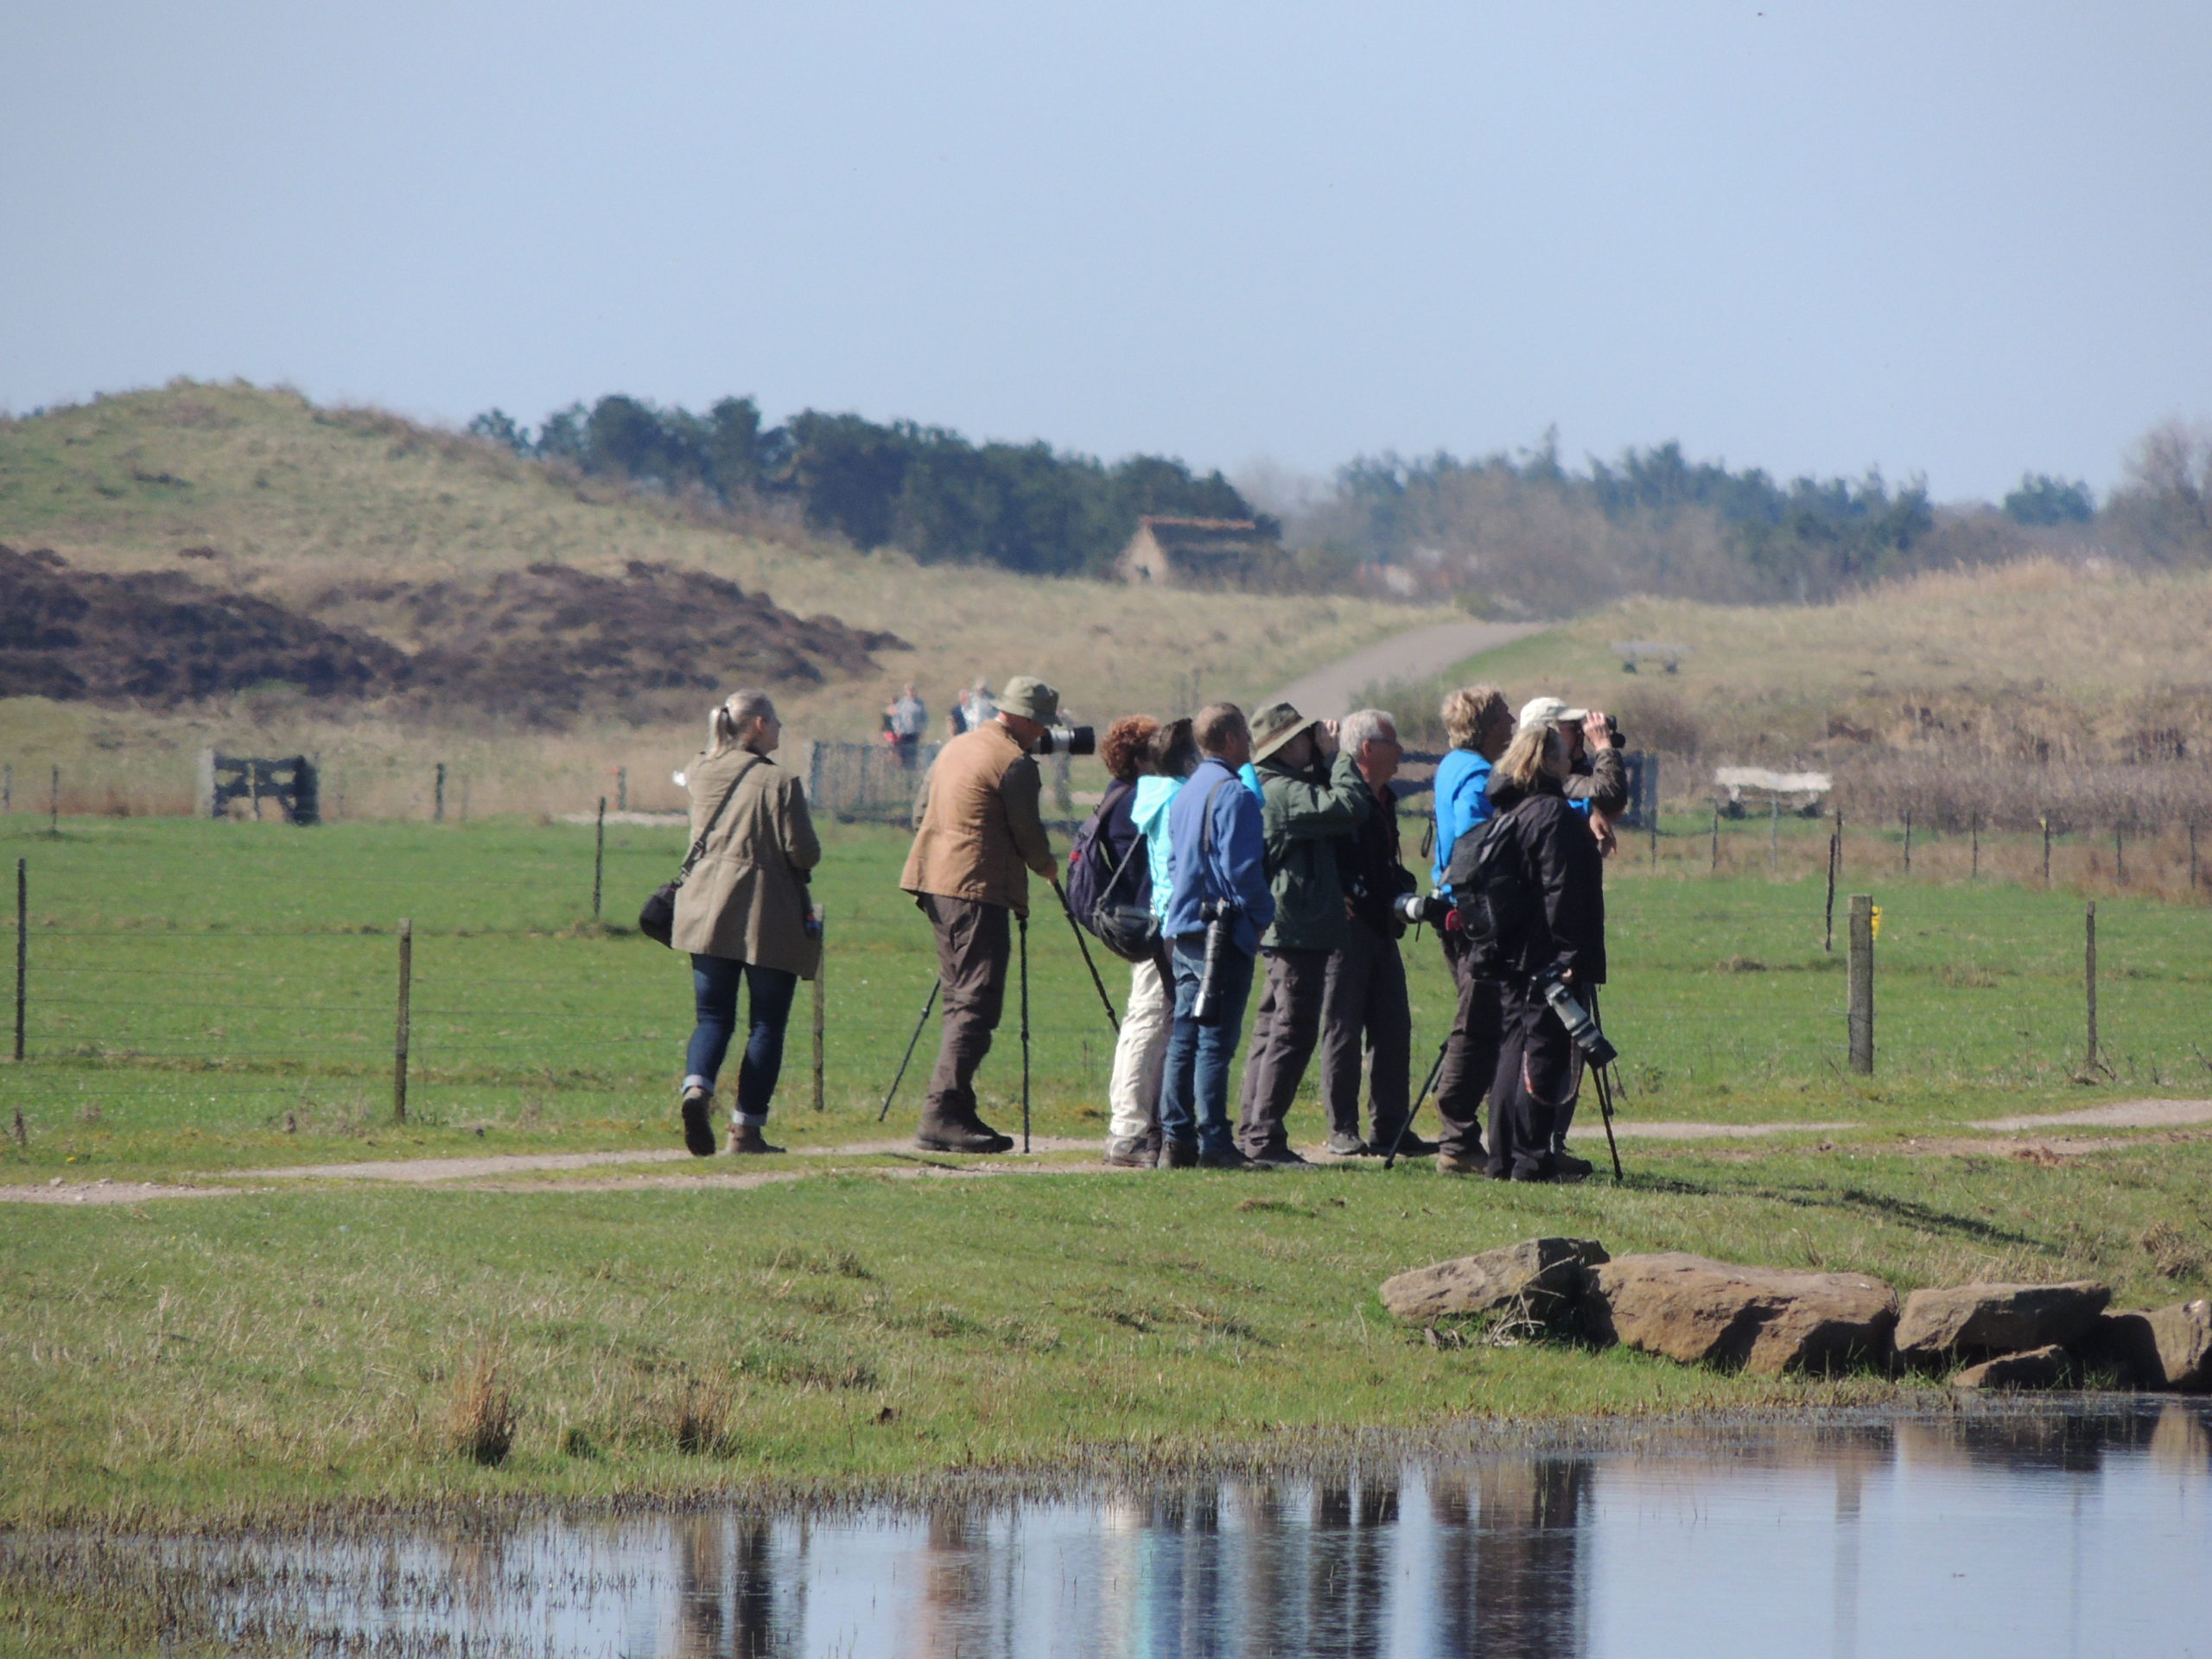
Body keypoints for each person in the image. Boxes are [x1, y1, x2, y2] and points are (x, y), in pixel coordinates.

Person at [899, 674, 1062, 1153]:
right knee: (977, 1001)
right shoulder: (1014, 763)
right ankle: (942, 1113)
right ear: (1025, 720)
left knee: (959, 998)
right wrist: (1047, 867)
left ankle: (956, 1108)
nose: (1042, 736)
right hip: (976, 889)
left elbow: (918, 813)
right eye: (1040, 726)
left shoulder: (955, 747)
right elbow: (1028, 835)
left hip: (936, 881)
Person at [671, 690, 821, 1156]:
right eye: (775, 721)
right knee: (767, 1024)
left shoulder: (699, 771)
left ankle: (697, 1088)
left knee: (713, 1016)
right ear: (758, 724)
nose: (779, 728)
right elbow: (804, 852)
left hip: (703, 908)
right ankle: (746, 1131)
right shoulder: (781, 782)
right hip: (766, 911)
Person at [1235, 701, 1370, 1166]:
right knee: (1292, 1029)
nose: (1314, 742)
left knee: (1272, 1027)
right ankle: (1264, 1137)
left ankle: (1252, 1130)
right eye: (1307, 737)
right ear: (1288, 745)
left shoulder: (1281, 787)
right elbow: (1350, 805)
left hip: (1288, 924)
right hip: (1295, 928)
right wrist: (1339, 757)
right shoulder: (1286, 792)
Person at [1481, 709, 1607, 1181]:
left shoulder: (1511, 809)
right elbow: (1561, 890)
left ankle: (1503, 1157)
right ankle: (1531, 1158)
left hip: (1512, 951)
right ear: (1550, 762)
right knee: (1543, 1052)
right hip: (1545, 956)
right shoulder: (1551, 814)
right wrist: (1569, 958)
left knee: (1513, 1049)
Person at [1159, 703, 1274, 1169]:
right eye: (1244, 734)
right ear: (1229, 739)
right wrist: (1264, 915)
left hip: (1184, 928)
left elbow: (1172, 865)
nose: (1249, 743)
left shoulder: (1185, 794)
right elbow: (1243, 871)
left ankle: (1176, 1140)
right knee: (1215, 1042)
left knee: (1183, 1035)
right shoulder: (1236, 795)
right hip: (1221, 935)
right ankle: (1215, 1143)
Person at [1319, 708, 1427, 1157]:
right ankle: (1342, 1129)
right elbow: (1317, 848)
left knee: (1393, 1026)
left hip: (1382, 923)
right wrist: (1334, 893)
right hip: (1346, 929)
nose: (1401, 751)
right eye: (1392, 742)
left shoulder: (1385, 798)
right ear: (1367, 749)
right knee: (1342, 1028)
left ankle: (1391, 1126)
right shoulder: (1337, 795)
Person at [1429, 684, 1515, 1174]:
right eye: (1504, 715)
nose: (1512, 722)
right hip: (1473, 917)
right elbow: (1476, 843)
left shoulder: (1453, 767)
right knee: (1477, 1023)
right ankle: (1457, 1139)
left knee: (1480, 1019)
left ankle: (1464, 1136)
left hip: (1454, 911)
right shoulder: (1478, 775)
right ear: (1485, 725)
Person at [1091, 715, 1167, 1168]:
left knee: (1146, 1017)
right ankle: (1129, 1130)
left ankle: (1133, 1125)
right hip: (1152, 922)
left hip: (1139, 921)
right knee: (1148, 1018)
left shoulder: (1117, 796)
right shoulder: (1139, 799)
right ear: (1141, 758)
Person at [885, 683, 927, 769]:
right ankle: (904, 772)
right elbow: (896, 717)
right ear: (906, 692)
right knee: (903, 755)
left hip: (915, 733)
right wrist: (898, 729)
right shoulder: (902, 703)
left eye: (913, 690)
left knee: (913, 753)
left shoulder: (920, 703)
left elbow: (924, 717)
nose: (911, 692)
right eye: (909, 691)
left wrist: (923, 728)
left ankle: (912, 771)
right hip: (904, 733)